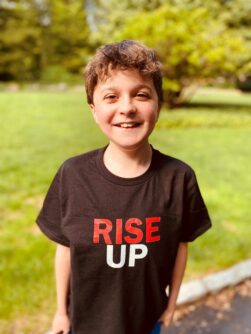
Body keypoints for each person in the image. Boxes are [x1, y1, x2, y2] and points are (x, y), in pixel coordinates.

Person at [36, 40, 212, 334]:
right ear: (94, 109)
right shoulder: (72, 174)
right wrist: (59, 313)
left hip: (148, 323)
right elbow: (64, 249)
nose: (127, 108)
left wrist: (171, 305)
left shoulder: (179, 178)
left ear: (159, 103)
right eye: (111, 96)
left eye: (141, 95)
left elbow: (181, 246)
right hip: (85, 324)